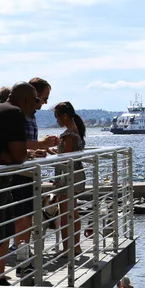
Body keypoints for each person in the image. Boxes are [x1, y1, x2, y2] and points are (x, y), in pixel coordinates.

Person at [12, 78, 58, 277]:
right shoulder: (18, 115)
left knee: (27, 214)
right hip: (19, 173)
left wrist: (34, 153)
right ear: (33, 96)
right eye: (44, 98)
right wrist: (40, 145)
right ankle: (22, 256)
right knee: (23, 214)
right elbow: (17, 142)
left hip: (27, 169)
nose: (45, 103)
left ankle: (23, 251)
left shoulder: (30, 115)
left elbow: (23, 145)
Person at [0, 82, 36, 285]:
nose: (38, 106)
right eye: (36, 100)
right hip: (2, 182)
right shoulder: (15, 114)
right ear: (25, 100)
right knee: (3, 228)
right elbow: (19, 155)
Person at [53, 101, 87, 255]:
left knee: (66, 213)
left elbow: (65, 158)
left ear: (64, 116)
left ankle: (68, 248)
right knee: (73, 212)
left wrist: (53, 154)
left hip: (67, 176)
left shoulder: (68, 135)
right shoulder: (77, 131)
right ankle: (75, 246)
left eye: (57, 117)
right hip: (77, 174)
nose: (57, 121)